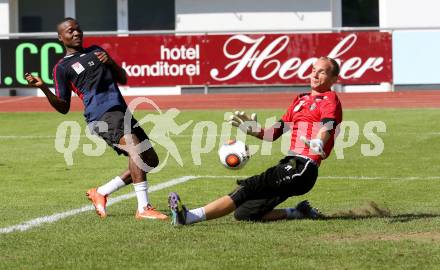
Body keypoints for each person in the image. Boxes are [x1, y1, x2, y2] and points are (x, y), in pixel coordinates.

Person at [168, 56, 342, 225]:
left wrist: (319, 142)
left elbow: (328, 124)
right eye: (313, 70)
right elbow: (273, 134)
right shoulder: (300, 99)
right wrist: (254, 130)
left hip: (304, 165)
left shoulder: (329, 99)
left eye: (322, 72)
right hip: (290, 163)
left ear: (334, 78)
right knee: (244, 213)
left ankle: (189, 217)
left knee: (250, 186)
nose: (314, 75)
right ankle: (298, 212)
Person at [25, 17, 167, 220]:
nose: (76, 33)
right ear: (60, 37)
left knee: (150, 160)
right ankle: (143, 208)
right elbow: (63, 107)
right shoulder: (62, 68)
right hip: (101, 115)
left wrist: (111, 62)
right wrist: (43, 88)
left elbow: (123, 78)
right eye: (70, 31)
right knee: (134, 147)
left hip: (121, 111)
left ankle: (101, 192)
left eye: (78, 29)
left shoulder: (96, 51)